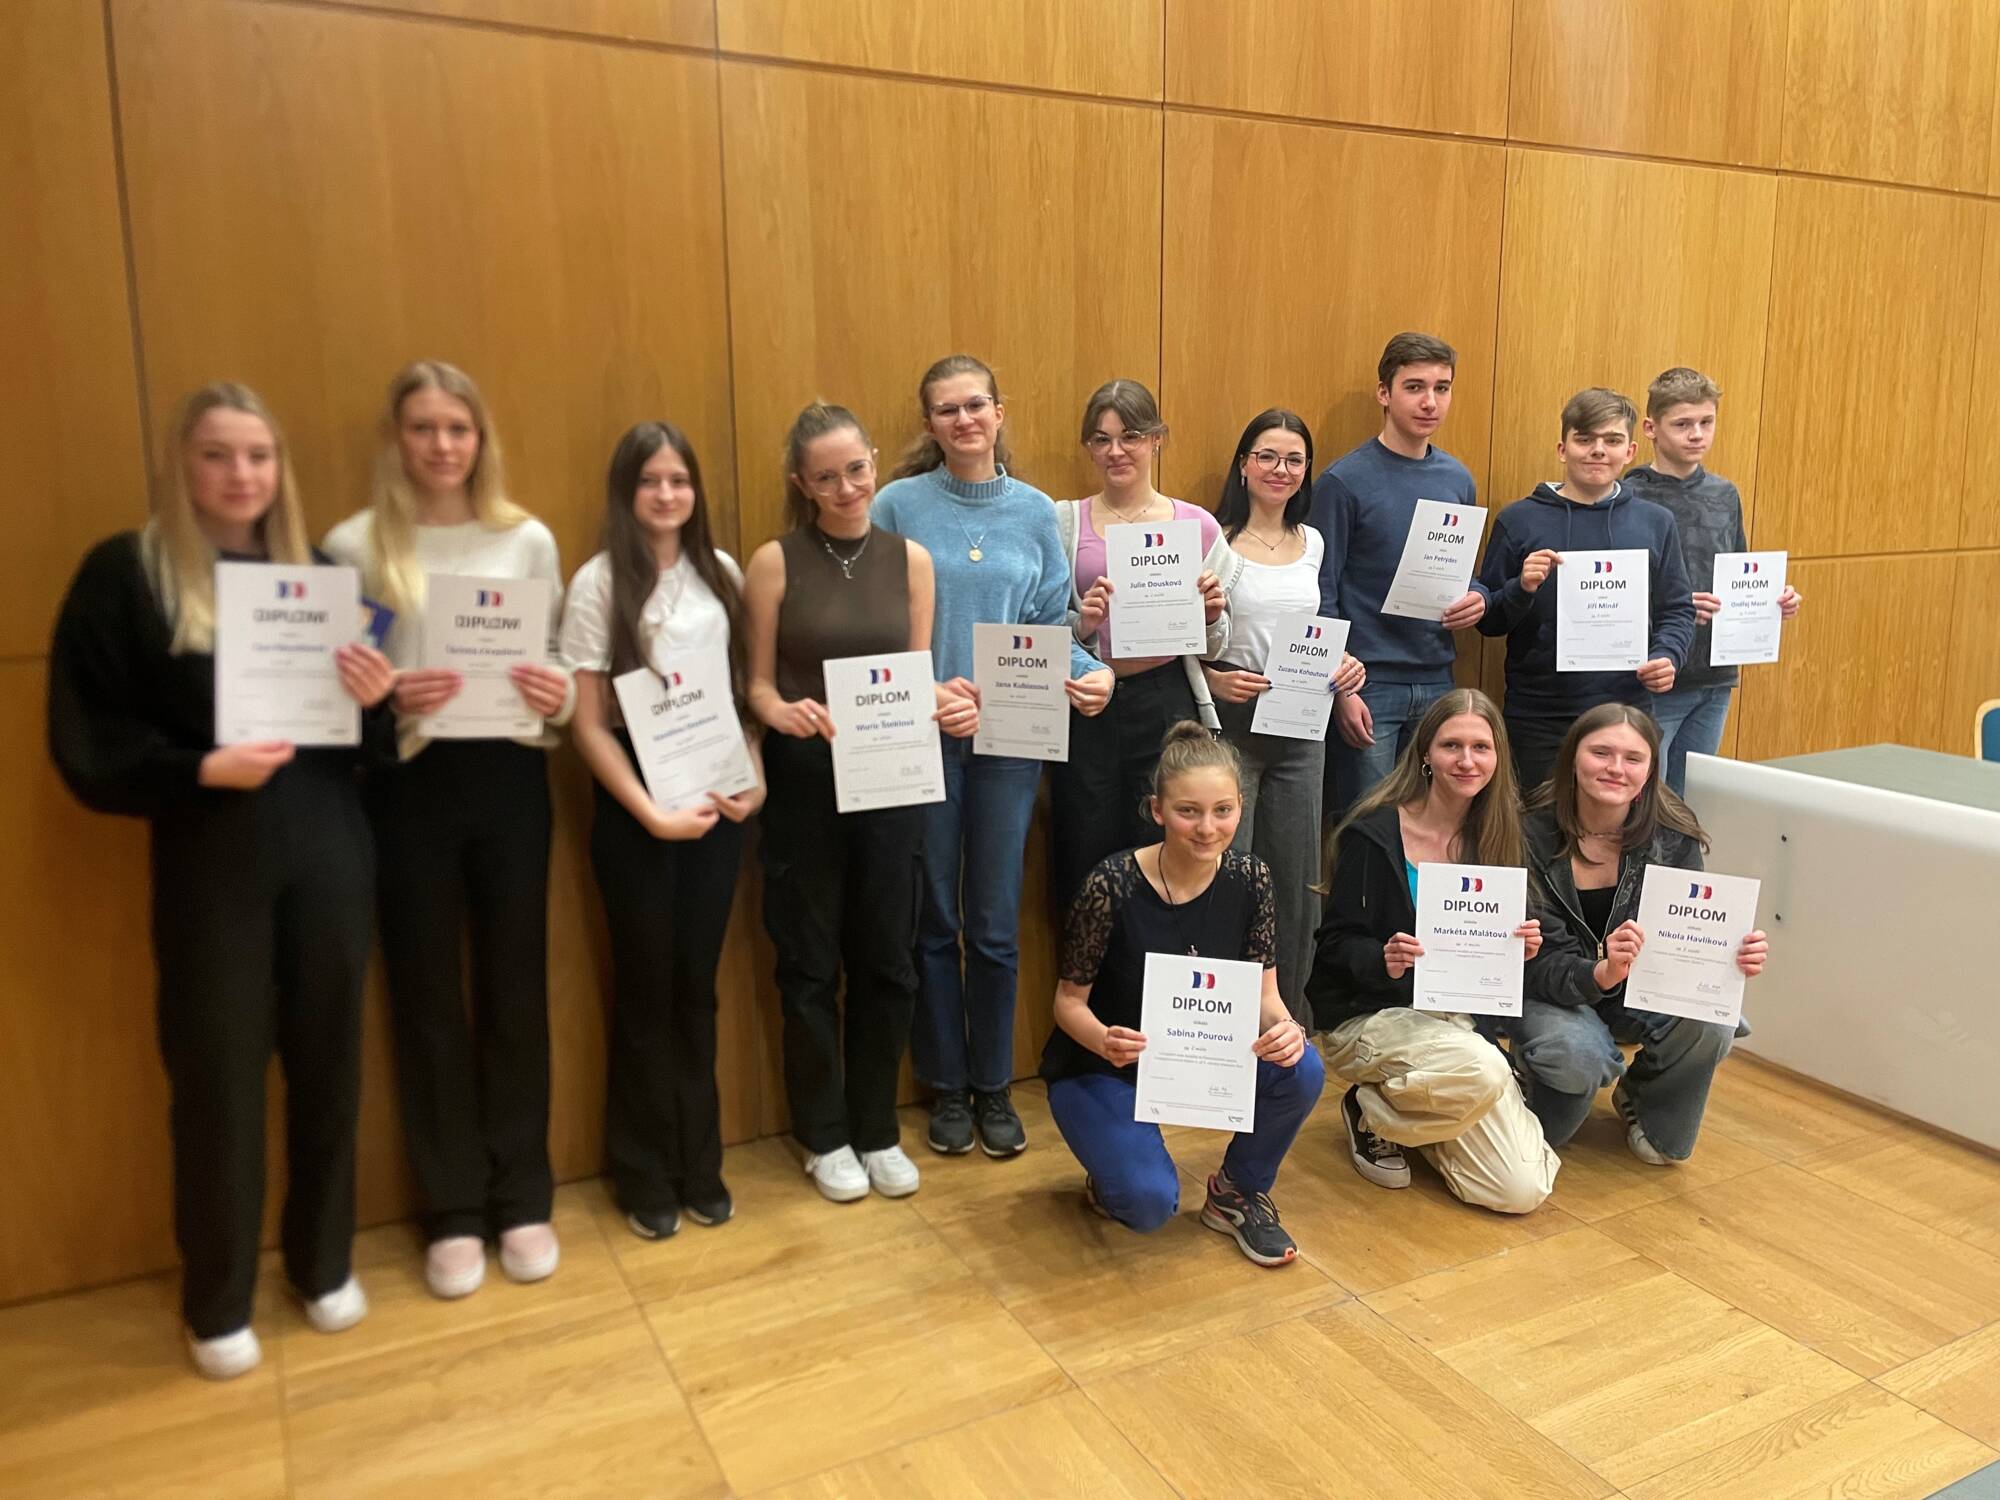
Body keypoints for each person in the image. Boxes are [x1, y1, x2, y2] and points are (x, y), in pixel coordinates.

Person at [48, 382, 395, 1378]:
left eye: (258, 455)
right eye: (217, 454)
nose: (241, 474)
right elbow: (87, 739)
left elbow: (367, 749)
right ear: (182, 464)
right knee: (217, 1074)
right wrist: (200, 769)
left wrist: (374, 699)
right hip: (211, 853)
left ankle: (322, 1266)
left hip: (327, 842)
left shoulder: (320, 576)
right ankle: (218, 1297)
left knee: (330, 1060)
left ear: (279, 468)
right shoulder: (129, 575)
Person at [322, 360, 571, 1299]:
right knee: (425, 996)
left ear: (480, 439)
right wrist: (382, 694)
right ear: (397, 439)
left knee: (514, 989)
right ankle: (454, 1210)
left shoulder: (525, 540)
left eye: (457, 428)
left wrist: (553, 690)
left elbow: (557, 667)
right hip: (407, 786)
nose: (441, 445)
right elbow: (328, 688)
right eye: (423, 428)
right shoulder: (353, 546)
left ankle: (523, 1197)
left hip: (510, 777)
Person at [871, 354, 1114, 1159]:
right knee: (935, 919)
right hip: (922, 737)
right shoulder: (897, 506)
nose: (964, 420)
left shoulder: (1036, 512)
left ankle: (992, 1085)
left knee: (996, 923)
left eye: (976, 405)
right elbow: (873, 624)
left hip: (1013, 738)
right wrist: (924, 691)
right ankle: (946, 1086)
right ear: (930, 424)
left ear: (999, 413)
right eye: (947, 410)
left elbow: (1051, 625)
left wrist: (1095, 674)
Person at [743, 401, 978, 1204]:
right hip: (805, 777)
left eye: (856, 469)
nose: (846, 488)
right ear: (801, 484)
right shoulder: (774, 562)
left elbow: (914, 675)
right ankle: (823, 1133)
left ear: (875, 462)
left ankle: (876, 1127)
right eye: (826, 478)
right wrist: (780, 712)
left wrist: (946, 701)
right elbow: (756, 685)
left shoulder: (911, 560)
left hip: (890, 776)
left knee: (888, 957)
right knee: (809, 963)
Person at [562, 421, 764, 1239]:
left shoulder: (722, 573)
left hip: (715, 800)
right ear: (627, 491)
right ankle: (642, 1173)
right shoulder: (597, 583)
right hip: (636, 809)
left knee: (695, 988)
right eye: (650, 480)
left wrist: (753, 773)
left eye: (679, 480)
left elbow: (743, 697)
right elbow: (586, 724)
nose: (667, 494)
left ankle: (699, 1165)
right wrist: (649, 814)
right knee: (645, 992)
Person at [1041, 723, 1325, 1267]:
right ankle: (1112, 1174)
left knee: (1303, 1067)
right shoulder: (1111, 884)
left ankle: (1236, 1193)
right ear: (1157, 810)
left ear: (1241, 807)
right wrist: (1103, 1041)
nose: (1207, 827)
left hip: (1205, 1062)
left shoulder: (1252, 878)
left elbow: (1264, 994)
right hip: (1104, 1068)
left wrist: (1286, 1028)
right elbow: (1068, 1004)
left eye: (1223, 810)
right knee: (1148, 1205)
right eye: (1188, 811)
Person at [1306, 689, 1559, 1214]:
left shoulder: (1502, 838)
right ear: (1425, 752)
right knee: (1483, 1071)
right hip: (1373, 1012)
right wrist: (1383, 958)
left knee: (1519, 1190)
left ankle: (1400, 1112)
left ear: (1498, 757)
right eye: (1451, 745)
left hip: (1458, 1024)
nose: (1467, 761)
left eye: (1481, 747)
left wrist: (1521, 951)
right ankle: (1377, 1108)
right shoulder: (1374, 833)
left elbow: (1503, 963)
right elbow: (1333, 948)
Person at [1510, 704, 1766, 1163]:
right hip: (1548, 992)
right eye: (1601, 753)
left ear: (1649, 771)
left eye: (1633, 758)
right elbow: (1535, 962)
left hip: (1636, 990)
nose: (1616, 768)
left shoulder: (1674, 836)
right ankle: (1533, 1069)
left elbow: (1685, 940)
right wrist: (1601, 972)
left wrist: (1730, 957)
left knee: (1714, 1021)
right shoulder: (1525, 833)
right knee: (1563, 1098)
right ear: (1572, 759)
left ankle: (1642, 1092)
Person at [1205, 408, 1364, 1018]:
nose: (1280, 469)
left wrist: (1344, 667)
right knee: (1227, 874)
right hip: (1232, 727)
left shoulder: (1313, 542)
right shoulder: (1215, 540)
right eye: (1267, 456)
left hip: (1301, 725)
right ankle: (1221, 1022)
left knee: (1296, 882)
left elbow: (1313, 629)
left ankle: (1288, 1019)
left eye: (1294, 459)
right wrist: (1213, 680)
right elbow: (1185, 636)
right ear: (1243, 465)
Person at [1050, 379, 1228, 908]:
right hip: (1087, 704)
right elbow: (1043, 622)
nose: (1115, 451)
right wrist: (1083, 624)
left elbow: (1218, 645)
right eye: (1101, 439)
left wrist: (1211, 615)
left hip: (1166, 699)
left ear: (1156, 439)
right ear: (1088, 447)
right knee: (1083, 849)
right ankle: (1085, 965)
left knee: (1165, 849)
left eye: (1129, 436)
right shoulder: (1064, 521)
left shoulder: (1197, 525)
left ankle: (1161, 963)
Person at [1475, 388, 1697, 790]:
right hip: (1540, 718)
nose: (1598, 450)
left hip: (1626, 714)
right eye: (1585, 439)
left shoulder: (1656, 523)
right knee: (1536, 826)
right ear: (1563, 449)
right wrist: (1521, 588)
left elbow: (1677, 610)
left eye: (1612, 440)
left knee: (1624, 826)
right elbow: (1488, 621)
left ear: (1630, 451)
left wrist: (1668, 655)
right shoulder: (1519, 521)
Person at [1311, 332, 1486, 820]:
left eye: (1442, 388)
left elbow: (1465, 575)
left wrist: (1478, 597)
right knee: (1367, 826)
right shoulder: (1343, 481)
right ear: (1384, 393)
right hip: (1369, 684)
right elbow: (1322, 592)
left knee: (1433, 824)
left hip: (1437, 679)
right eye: (1414, 387)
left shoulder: (1458, 479)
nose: (1430, 402)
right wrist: (1342, 689)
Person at [1620, 368, 1802, 798]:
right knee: (1645, 800)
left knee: (1694, 802)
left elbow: (1740, 571)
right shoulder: (1630, 496)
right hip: (1657, 677)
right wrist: (1676, 607)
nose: (1697, 435)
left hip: (1715, 675)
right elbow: (1612, 596)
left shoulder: (1725, 494)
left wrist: (1774, 600)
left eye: (1707, 422)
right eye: (1682, 424)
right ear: (1651, 428)